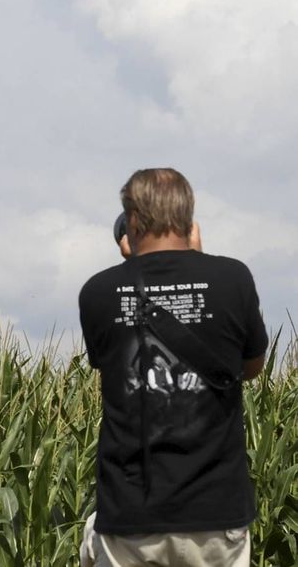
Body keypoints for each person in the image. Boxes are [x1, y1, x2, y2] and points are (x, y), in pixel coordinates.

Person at [78, 168, 267, 566]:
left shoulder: (97, 292)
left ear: (131, 221)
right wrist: (197, 263)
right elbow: (250, 368)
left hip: (129, 513)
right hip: (216, 512)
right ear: (189, 218)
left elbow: (109, 367)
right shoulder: (233, 279)